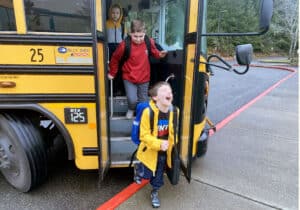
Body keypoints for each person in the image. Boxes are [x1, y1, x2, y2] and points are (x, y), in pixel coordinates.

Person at [108, 19, 167, 119]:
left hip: (144, 77)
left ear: (145, 33)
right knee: (132, 99)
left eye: (141, 36)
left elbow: (154, 51)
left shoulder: (148, 41)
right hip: (129, 77)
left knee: (143, 101)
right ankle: (131, 109)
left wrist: (159, 55)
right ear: (130, 33)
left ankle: (142, 118)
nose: (138, 39)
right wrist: (112, 73)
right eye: (135, 36)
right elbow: (115, 58)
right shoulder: (124, 45)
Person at [133, 81, 179, 208]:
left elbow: (174, 131)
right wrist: (159, 144)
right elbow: (144, 135)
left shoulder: (174, 112)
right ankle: (138, 171)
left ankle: (155, 192)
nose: (169, 92)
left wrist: (173, 144)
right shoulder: (148, 112)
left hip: (163, 153)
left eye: (169, 90)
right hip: (150, 151)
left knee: (158, 176)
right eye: (164, 90)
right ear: (155, 97)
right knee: (146, 174)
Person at [106, 3, 125, 96]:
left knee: (119, 70)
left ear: (120, 14)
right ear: (110, 13)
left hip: (119, 49)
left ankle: (117, 89)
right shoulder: (106, 23)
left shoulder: (122, 25)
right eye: (113, 13)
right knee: (110, 69)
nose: (115, 15)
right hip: (109, 48)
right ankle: (109, 90)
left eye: (117, 13)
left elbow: (124, 40)